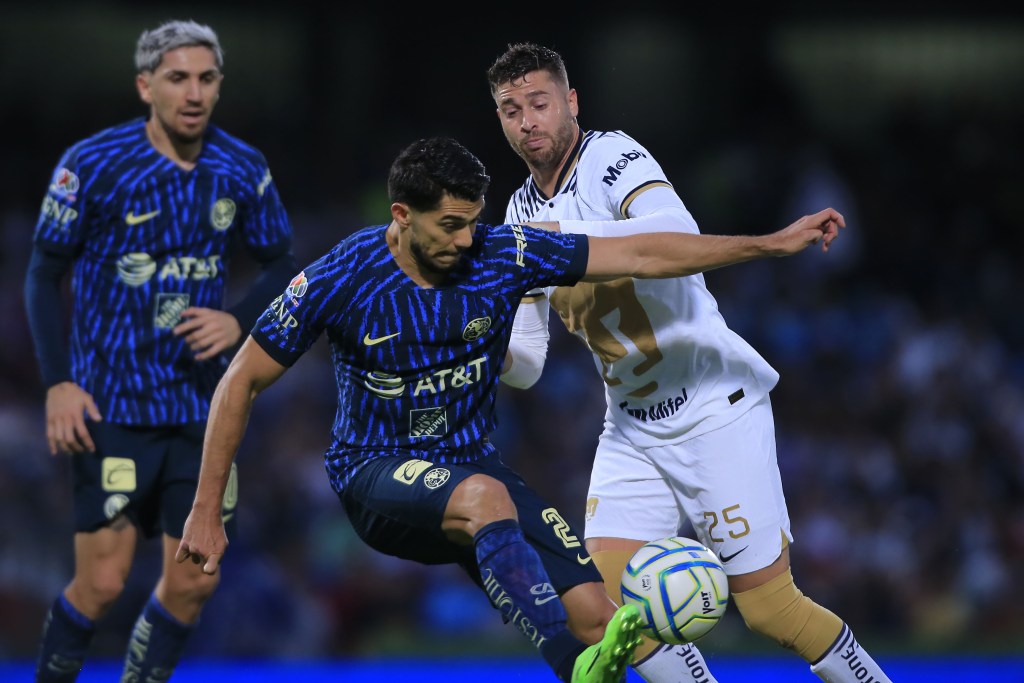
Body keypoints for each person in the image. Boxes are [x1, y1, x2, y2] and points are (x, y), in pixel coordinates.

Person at [175, 135, 842, 682]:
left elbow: (639, 248)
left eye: (474, 220)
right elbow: (239, 381)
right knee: (489, 504)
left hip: (473, 468)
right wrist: (206, 512)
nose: (468, 240)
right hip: (377, 477)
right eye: (450, 225)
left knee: (600, 616)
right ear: (400, 217)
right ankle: (571, 668)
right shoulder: (339, 278)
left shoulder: (503, 253)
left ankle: (589, 657)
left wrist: (767, 242)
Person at [487, 42, 893, 683]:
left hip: (712, 407)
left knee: (770, 611)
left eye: (539, 103)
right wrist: (481, 341)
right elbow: (529, 360)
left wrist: (559, 240)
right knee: (600, 607)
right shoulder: (517, 214)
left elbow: (671, 234)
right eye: (511, 110)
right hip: (630, 427)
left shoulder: (611, 157)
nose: (527, 121)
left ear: (570, 103)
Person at [24, 20, 297, 682]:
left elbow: (280, 261)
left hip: (203, 412)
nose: (194, 92)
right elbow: (42, 273)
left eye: (206, 78)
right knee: (102, 582)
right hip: (111, 404)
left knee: (193, 583)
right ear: (146, 86)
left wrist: (238, 320)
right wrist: (59, 383)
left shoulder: (242, 167)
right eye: (178, 77)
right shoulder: (90, 164)